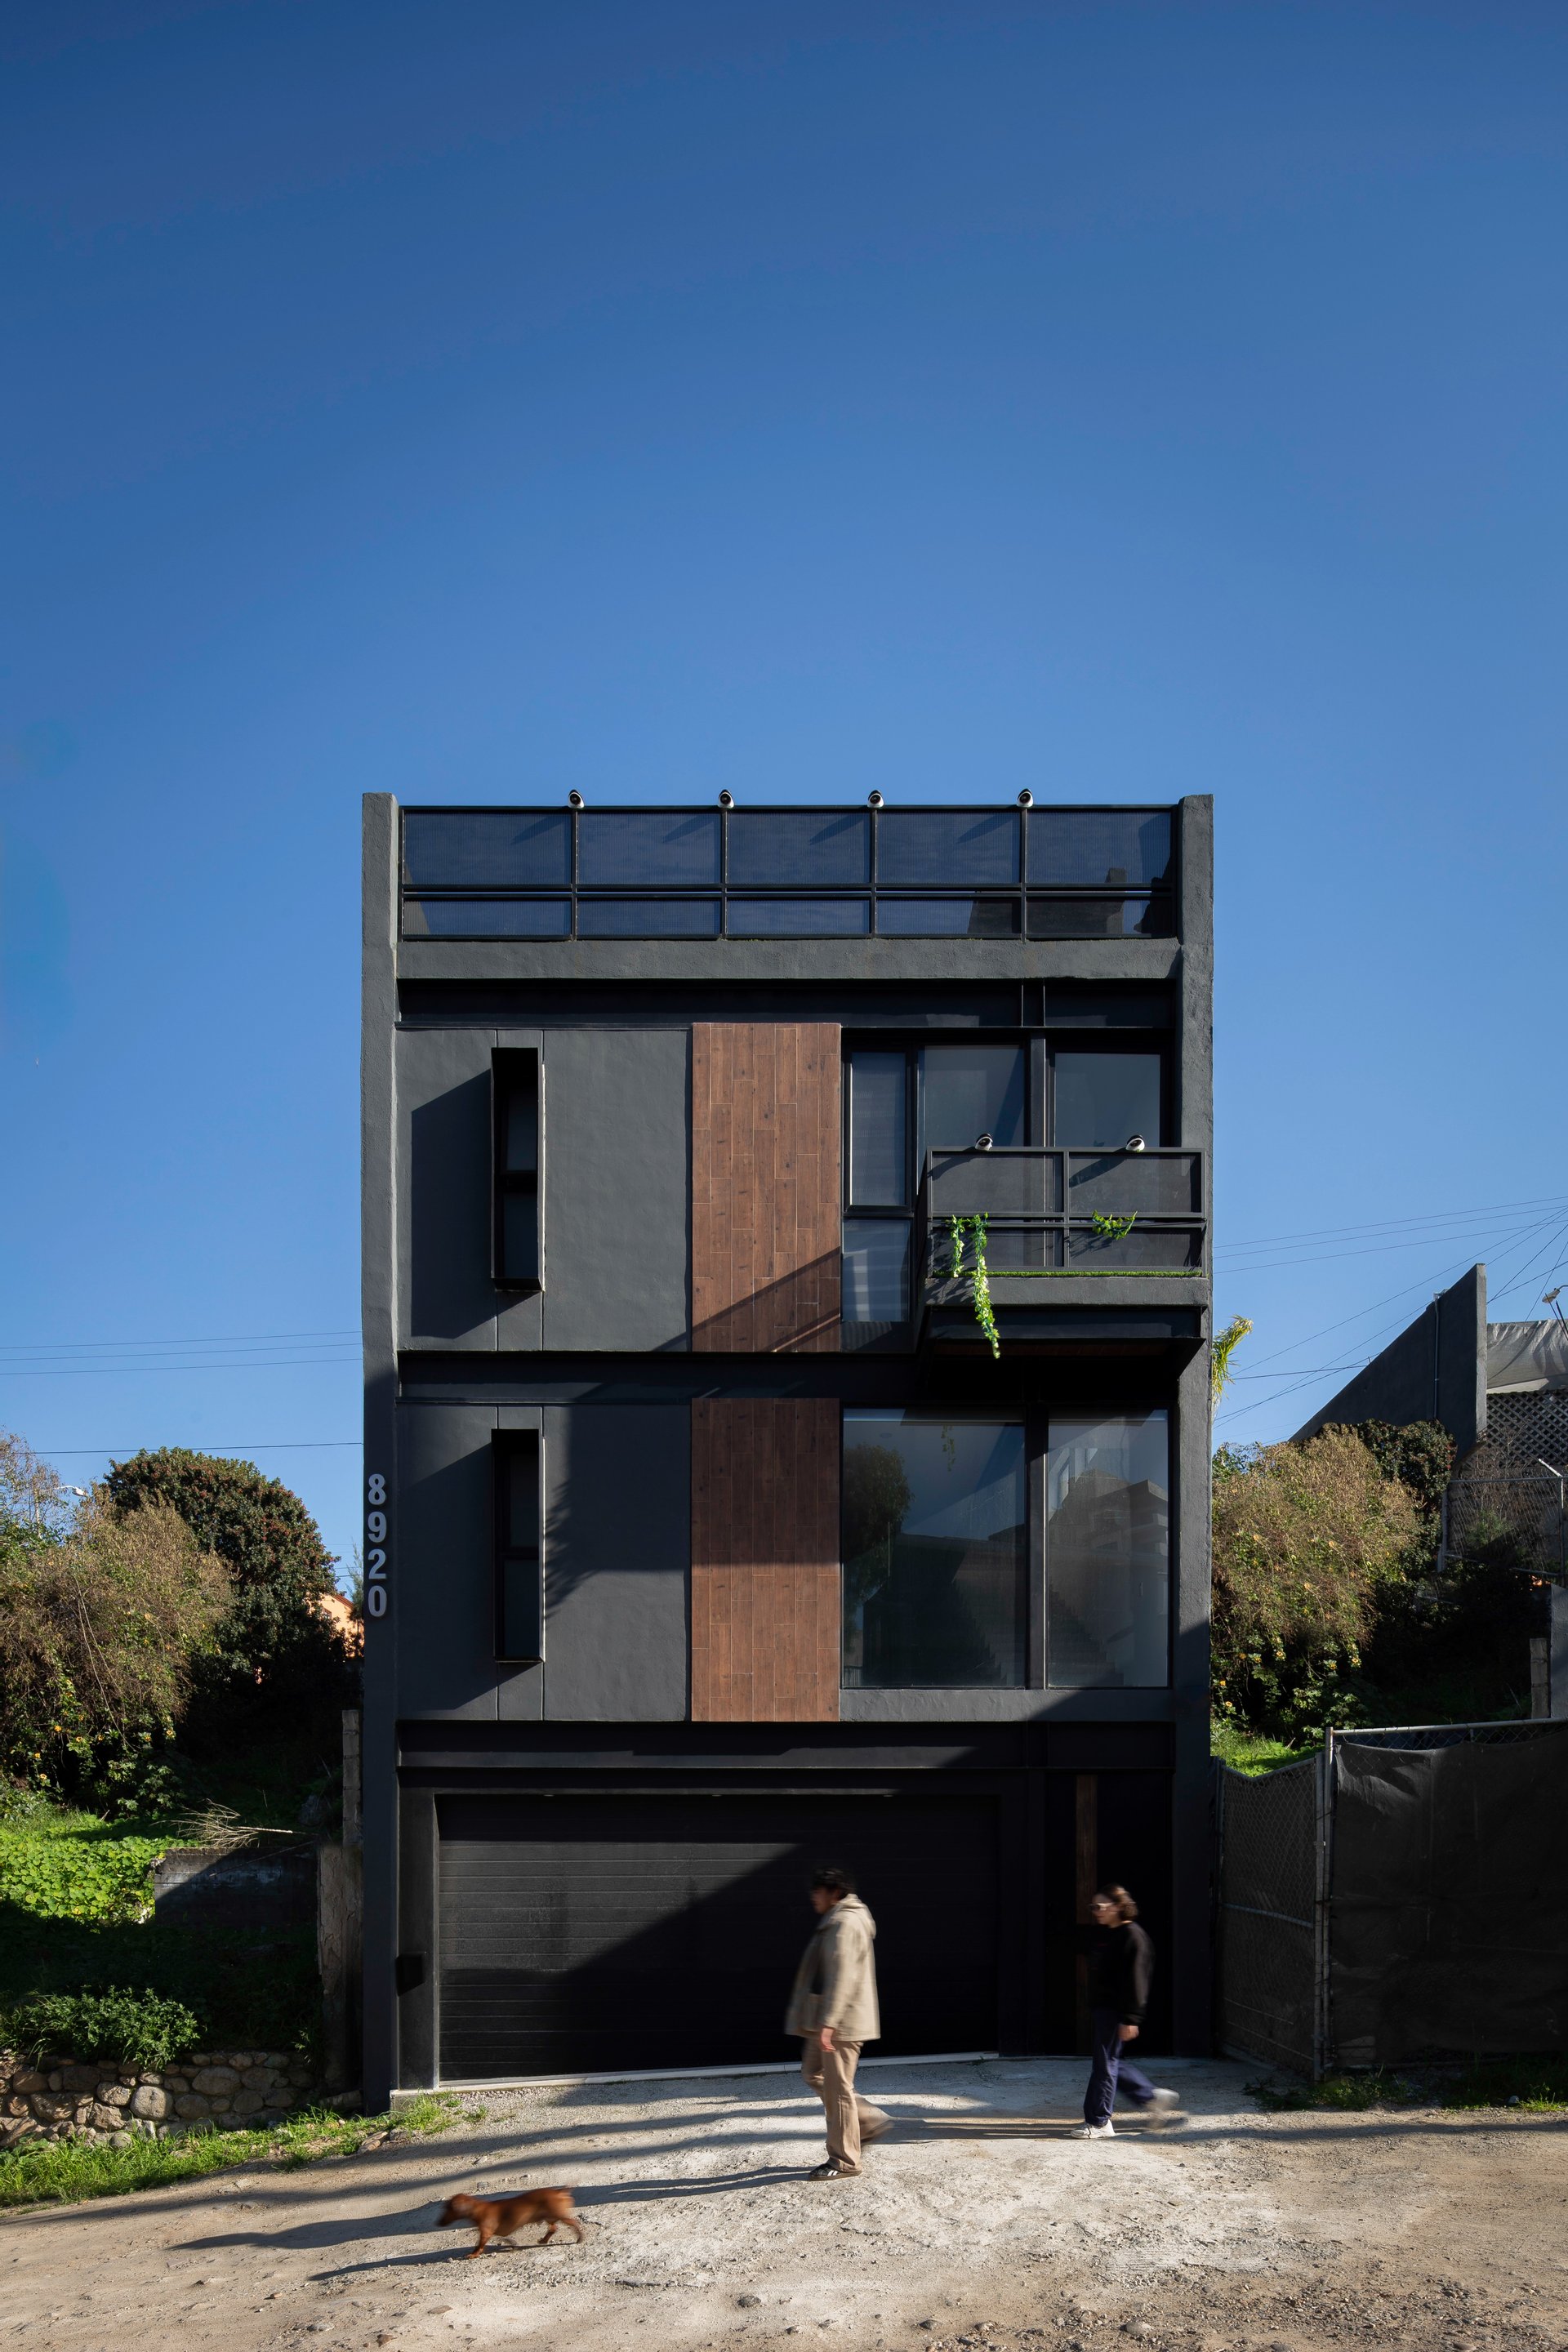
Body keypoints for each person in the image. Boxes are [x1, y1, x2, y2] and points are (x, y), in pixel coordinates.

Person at [784, 1864, 890, 2180]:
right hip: (828, 2018)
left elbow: (843, 1976)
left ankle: (844, 2161)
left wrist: (829, 2023)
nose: (813, 1897)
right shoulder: (836, 1919)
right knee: (813, 2073)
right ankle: (867, 2121)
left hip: (842, 2022)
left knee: (838, 2089)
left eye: (817, 1891)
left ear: (835, 1893)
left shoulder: (845, 1922)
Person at [1071, 1883, 1183, 2139]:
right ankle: (1150, 2096)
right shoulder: (1107, 1933)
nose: (1096, 1911)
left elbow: (1137, 1981)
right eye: (1093, 1907)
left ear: (1118, 1907)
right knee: (1110, 2062)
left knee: (1105, 2064)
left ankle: (1099, 2122)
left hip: (1115, 2011)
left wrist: (1131, 2018)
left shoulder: (1133, 1936)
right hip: (1104, 2009)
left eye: (1100, 1906)